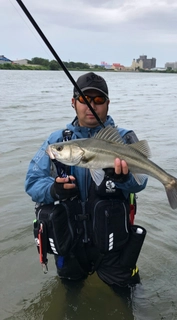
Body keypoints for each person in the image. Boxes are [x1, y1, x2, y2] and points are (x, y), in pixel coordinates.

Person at [25, 72, 147, 287]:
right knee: (69, 297)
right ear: (73, 102)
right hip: (69, 241)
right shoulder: (56, 142)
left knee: (126, 293)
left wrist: (124, 178)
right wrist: (53, 190)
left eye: (98, 100)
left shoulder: (125, 137)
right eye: (84, 99)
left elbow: (141, 182)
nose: (92, 105)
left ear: (108, 103)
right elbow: (32, 182)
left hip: (113, 241)